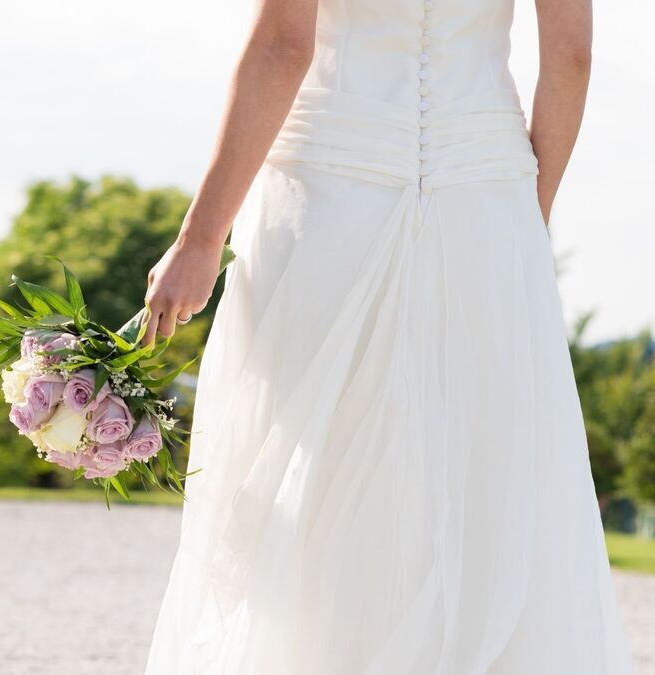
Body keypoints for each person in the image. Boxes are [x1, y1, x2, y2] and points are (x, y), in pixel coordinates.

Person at [139, 0, 634, 671]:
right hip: (484, 197)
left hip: (330, 194)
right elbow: (570, 57)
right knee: (482, 471)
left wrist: (200, 238)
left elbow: (283, 47)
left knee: (312, 467)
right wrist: (526, 213)